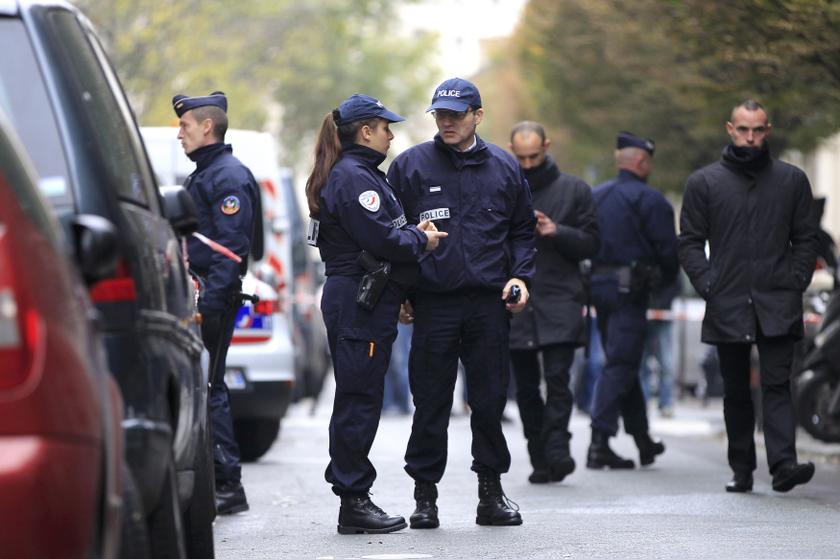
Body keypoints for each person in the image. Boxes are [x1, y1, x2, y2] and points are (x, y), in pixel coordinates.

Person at [388, 77, 535, 528]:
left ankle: (490, 493)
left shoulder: (505, 169)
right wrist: (401, 293)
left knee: (489, 403)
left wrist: (521, 277)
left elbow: (522, 233)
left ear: (478, 115)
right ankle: (425, 497)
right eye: (441, 114)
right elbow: (392, 236)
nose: (447, 122)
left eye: (456, 114)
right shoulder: (411, 167)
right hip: (434, 306)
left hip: (488, 306)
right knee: (430, 403)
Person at [305, 93, 446, 534]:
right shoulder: (354, 178)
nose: (390, 135)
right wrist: (422, 241)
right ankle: (353, 500)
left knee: (361, 397)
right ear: (366, 131)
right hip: (358, 301)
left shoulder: (360, 174)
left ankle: (355, 496)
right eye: (386, 127)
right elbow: (383, 240)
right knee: (359, 400)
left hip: (367, 298)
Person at [679, 100, 818, 493]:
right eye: (743, 130)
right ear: (730, 129)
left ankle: (783, 466)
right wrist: (710, 285)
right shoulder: (704, 183)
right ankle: (741, 467)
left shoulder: (791, 181)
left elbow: (806, 238)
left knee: (777, 384)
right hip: (728, 300)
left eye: (757, 130)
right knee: (736, 389)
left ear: (768, 130)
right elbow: (689, 242)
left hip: (778, 298)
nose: (751, 138)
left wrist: (797, 279)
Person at [173, 91, 262, 514]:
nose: (179, 134)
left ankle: (229, 486)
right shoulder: (205, 175)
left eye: (185, 126)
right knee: (205, 388)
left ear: (207, 126)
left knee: (209, 390)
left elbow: (230, 251)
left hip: (212, 298)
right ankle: (218, 482)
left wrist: (209, 305)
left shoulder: (226, 177)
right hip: (201, 294)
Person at [506, 121, 600, 484]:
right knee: (526, 387)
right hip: (519, 300)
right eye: (521, 157)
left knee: (559, 379)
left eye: (534, 155)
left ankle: (557, 447)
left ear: (547, 146)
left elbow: (593, 242)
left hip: (560, 296)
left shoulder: (575, 190)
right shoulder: (505, 188)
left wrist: (556, 231)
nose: (528, 164)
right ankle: (539, 455)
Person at [587, 131, 678, 470]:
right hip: (631, 292)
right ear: (641, 162)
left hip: (599, 289)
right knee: (622, 364)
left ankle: (642, 440)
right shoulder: (651, 200)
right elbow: (669, 253)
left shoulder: (596, 196)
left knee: (621, 360)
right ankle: (599, 441)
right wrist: (665, 283)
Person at [638, 277, 680, 418]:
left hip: (662, 315)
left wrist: (659, 305)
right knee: (641, 365)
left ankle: (666, 402)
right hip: (643, 314)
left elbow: (675, 283)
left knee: (666, 364)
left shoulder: (667, 257)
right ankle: (643, 402)